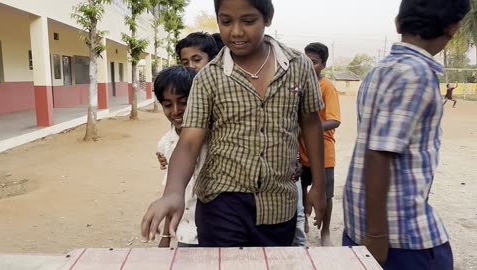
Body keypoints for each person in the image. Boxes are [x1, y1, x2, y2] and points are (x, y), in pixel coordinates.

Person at [141, 0, 326, 247]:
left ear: (268, 17)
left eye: (248, 21)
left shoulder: (298, 66)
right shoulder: (208, 77)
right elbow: (188, 142)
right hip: (221, 207)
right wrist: (173, 192)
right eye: (226, 21)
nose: (236, 31)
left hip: (278, 206)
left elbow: (311, 124)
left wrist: (319, 186)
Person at [342, 0, 469, 269]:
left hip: (361, 226)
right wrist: (376, 237)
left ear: (398, 22)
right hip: (400, 240)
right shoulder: (417, 74)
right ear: (454, 28)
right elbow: (378, 153)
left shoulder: (379, 70)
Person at [154, 66, 204, 248]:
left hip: (217, 230)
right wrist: (166, 235)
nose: (176, 110)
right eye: (167, 105)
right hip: (185, 235)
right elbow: (172, 191)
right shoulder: (166, 144)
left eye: (184, 102)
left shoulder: (215, 138)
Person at [299, 42, 341, 246]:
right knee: (301, 188)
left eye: (314, 62)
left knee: (325, 193)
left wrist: (310, 128)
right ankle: (303, 222)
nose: (309, 65)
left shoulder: (327, 88)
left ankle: (325, 232)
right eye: (306, 60)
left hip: (323, 152)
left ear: (323, 65)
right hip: (300, 150)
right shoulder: (297, 85)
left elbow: (335, 120)